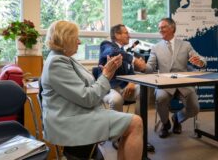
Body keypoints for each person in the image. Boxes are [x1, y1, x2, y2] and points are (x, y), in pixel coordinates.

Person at [40, 20, 143, 160]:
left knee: (133, 123)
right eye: (76, 38)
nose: (79, 42)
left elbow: (88, 87)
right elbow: (88, 98)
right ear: (66, 39)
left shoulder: (64, 59)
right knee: (135, 123)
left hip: (77, 113)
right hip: (71, 120)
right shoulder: (57, 62)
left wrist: (106, 73)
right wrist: (106, 75)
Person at [135, 17, 206, 138]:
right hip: (164, 84)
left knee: (194, 108)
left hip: (184, 83)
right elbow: (150, 68)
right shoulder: (156, 48)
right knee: (161, 98)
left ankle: (177, 118)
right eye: (159, 28)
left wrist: (200, 62)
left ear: (172, 28)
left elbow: (201, 59)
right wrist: (142, 67)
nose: (160, 30)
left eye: (163, 27)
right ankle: (165, 123)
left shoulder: (185, 45)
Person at [99, 24, 141, 115]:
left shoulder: (124, 51)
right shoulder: (106, 45)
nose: (129, 36)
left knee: (143, 91)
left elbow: (131, 73)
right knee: (116, 100)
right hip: (110, 88)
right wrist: (133, 59)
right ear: (117, 35)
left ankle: (138, 122)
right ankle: (118, 128)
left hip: (125, 89)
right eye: (126, 33)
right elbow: (113, 51)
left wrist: (131, 82)